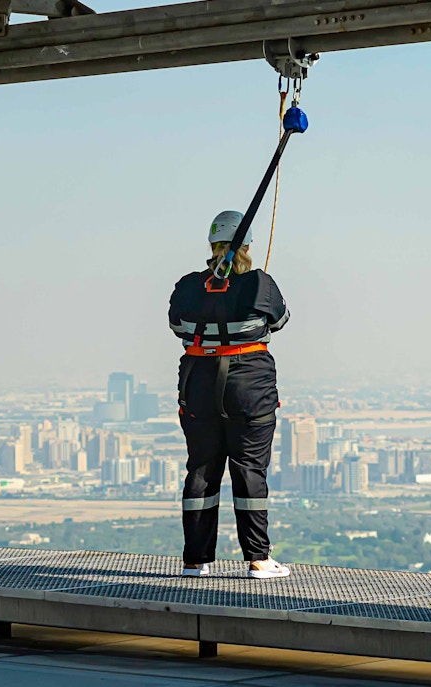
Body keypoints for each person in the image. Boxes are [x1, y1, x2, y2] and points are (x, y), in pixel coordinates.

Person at [168, 210, 291, 579]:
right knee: (249, 468)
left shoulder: (189, 286)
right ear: (248, 246)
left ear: (211, 244)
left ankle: (196, 559)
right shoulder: (259, 284)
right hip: (248, 389)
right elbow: (281, 321)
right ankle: (258, 558)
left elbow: (177, 326)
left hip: (199, 386)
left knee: (202, 469)